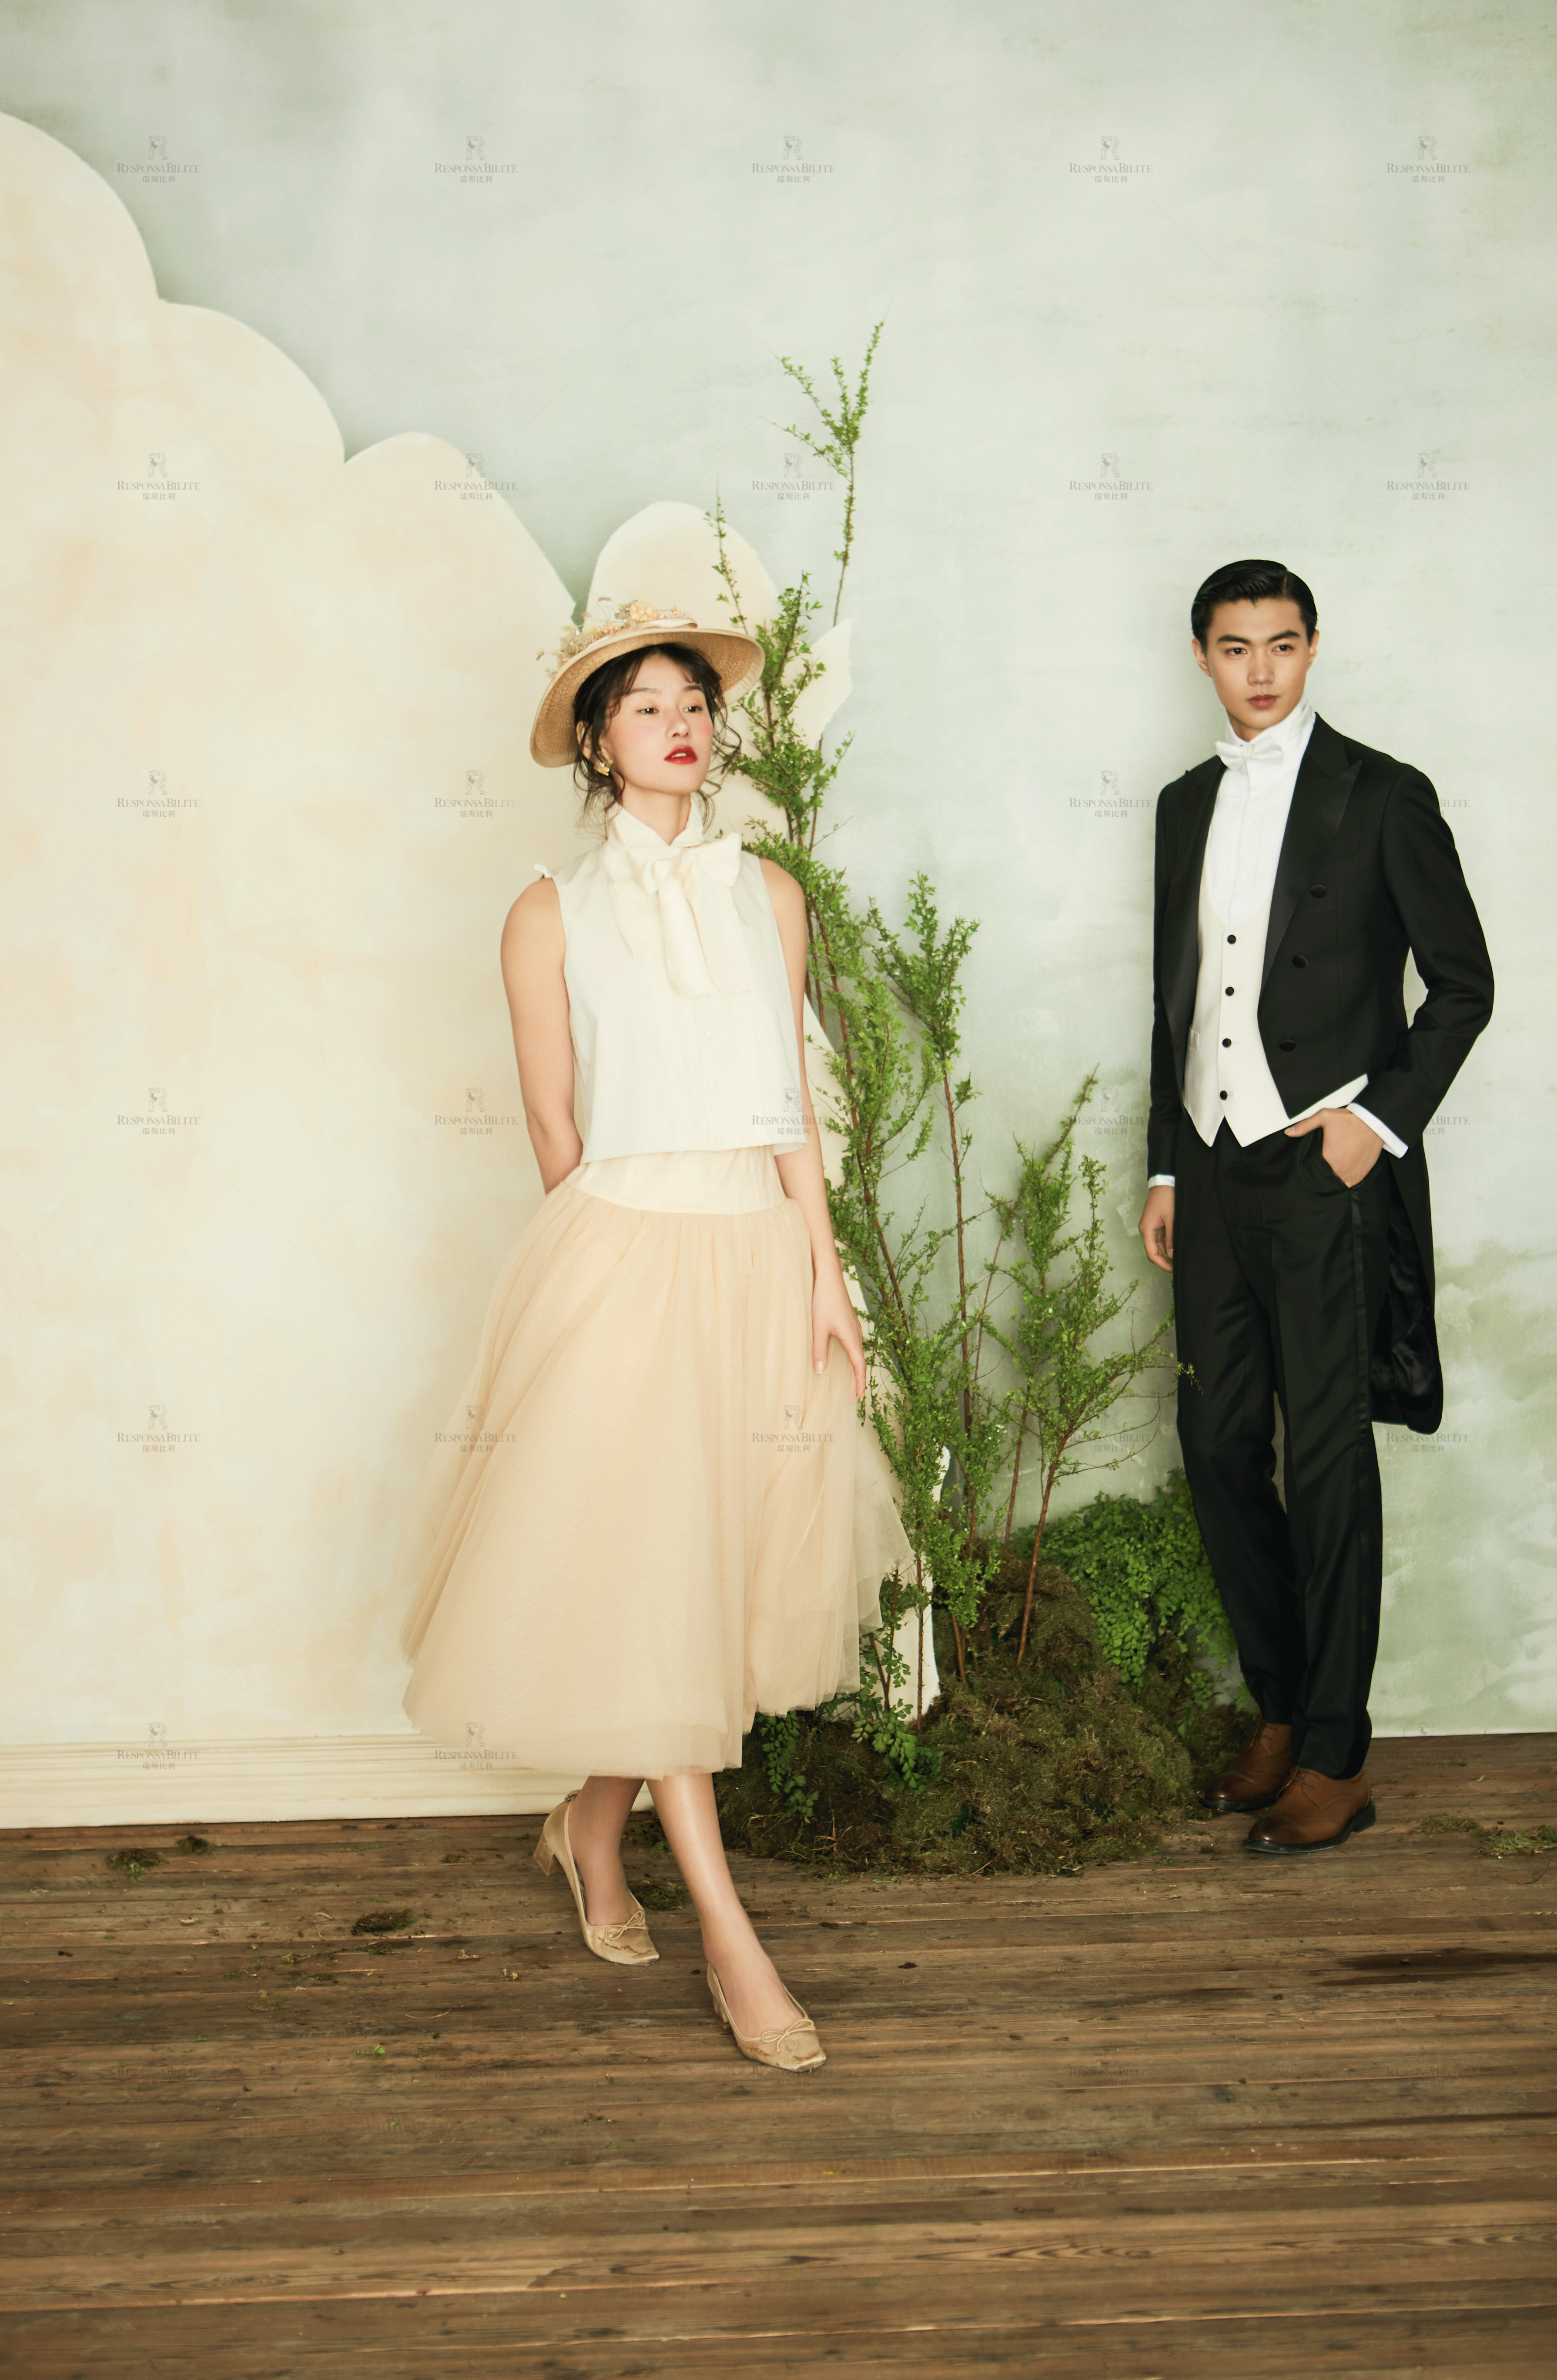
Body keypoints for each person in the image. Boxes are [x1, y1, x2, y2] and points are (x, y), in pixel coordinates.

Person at [394, 601, 912, 2066]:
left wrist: (821, 1272)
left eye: (694, 703)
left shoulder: (770, 893)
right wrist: (607, 1277)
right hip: (624, 1258)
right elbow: (554, 1126)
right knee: (650, 1565)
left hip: (757, 1254)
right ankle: (732, 1941)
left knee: (707, 1582)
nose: (680, 725)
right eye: (645, 708)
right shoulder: (547, 912)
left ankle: (587, 1823)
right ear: (596, 744)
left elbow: (790, 1101)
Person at [1138, 560, 1492, 1853]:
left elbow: (1463, 985)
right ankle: (1280, 1708)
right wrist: (1166, 1165)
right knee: (1217, 1440)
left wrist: (1371, 1124)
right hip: (1211, 1169)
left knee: (1328, 1458)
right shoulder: (1184, 804)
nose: (1261, 670)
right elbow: (1176, 1002)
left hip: (1322, 1170)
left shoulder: (1383, 793)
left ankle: (1336, 1751)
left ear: (1312, 646)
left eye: (1282, 645)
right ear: (1202, 656)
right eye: (1236, 648)